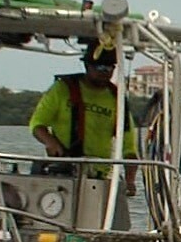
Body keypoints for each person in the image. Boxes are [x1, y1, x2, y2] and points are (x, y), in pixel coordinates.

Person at [29, 39, 138, 194]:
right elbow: (37, 124)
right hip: (63, 170)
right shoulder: (62, 89)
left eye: (109, 68)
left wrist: (130, 180)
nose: (104, 72)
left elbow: (129, 147)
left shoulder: (117, 99)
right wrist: (50, 142)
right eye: (99, 67)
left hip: (99, 175)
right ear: (87, 66)